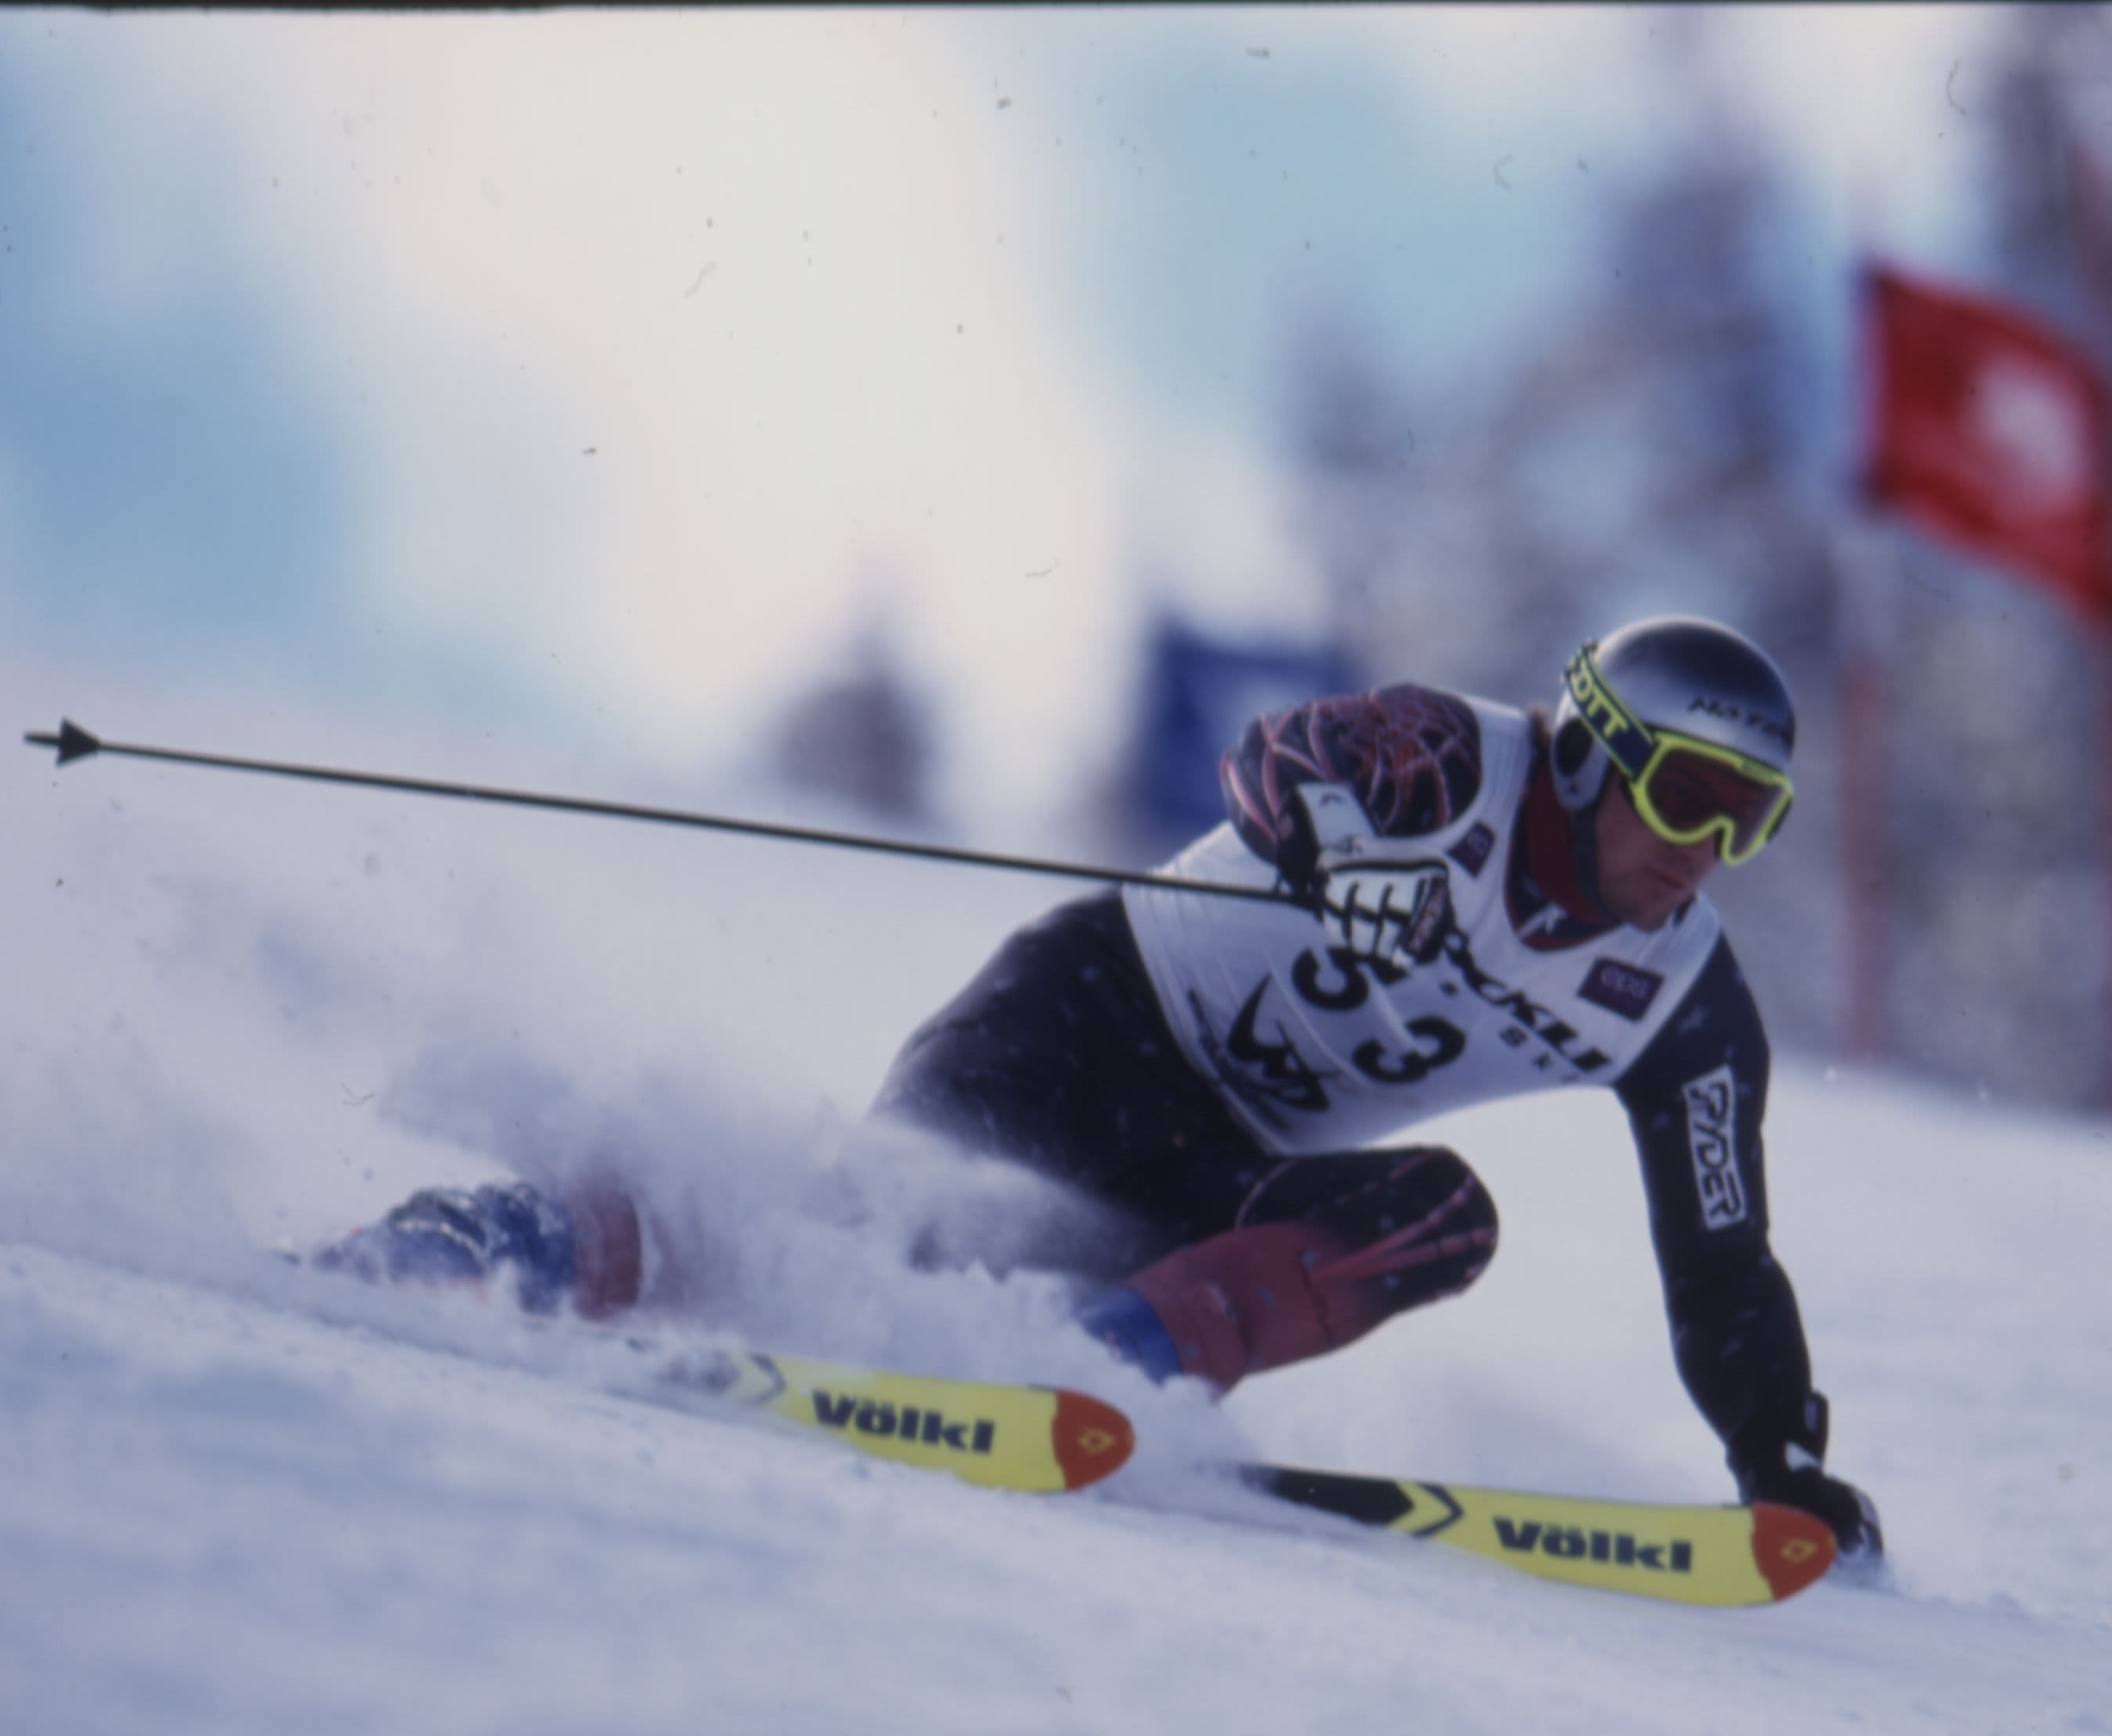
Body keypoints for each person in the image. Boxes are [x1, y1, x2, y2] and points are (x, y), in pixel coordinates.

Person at [320, 616, 1882, 1563]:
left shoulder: (1684, 1002)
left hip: (1208, 1184)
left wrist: (1781, 1465)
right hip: (1075, 1029)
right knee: (847, 1240)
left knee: (1440, 1219)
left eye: (1749, 819)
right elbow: (1278, 763)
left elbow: (1722, 1257)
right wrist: (1350, 853)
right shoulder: (1458, 760)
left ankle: (1103, 1366)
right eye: (1687, 794)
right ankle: (500, 1235)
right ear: (1591, 755)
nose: (1704, 850)